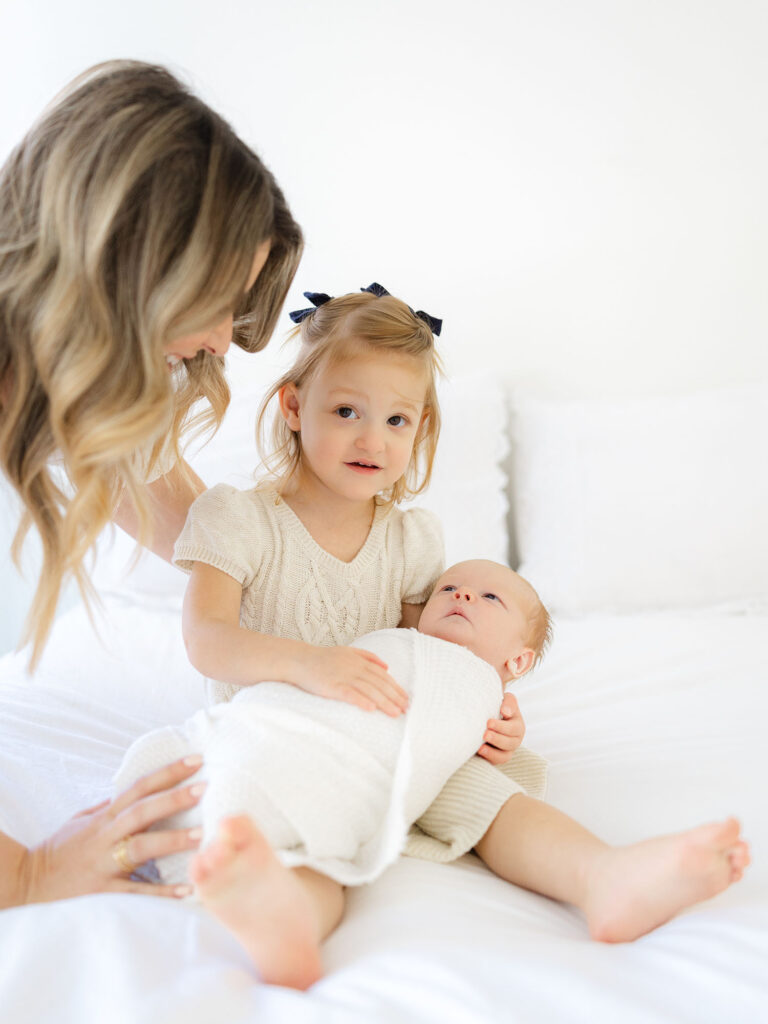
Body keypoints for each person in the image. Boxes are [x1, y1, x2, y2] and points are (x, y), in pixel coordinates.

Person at [117, 561, 750, 991]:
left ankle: (279, 920)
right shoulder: (390, 645)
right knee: (448, 801)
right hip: (270, 738)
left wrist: (500, 736)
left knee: (329, 870)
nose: (461, 596)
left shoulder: (475, 701)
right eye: (448, 589)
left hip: (365, 780)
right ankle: (601, 877)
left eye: (488, 597)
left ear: (518, 660)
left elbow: (500, 776)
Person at [0, 59, 303, 908]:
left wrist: (399, 643)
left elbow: (219, 544)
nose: (224, 340)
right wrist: (28, 873)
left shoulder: (64, 392)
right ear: (128, 262)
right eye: (215, 299)